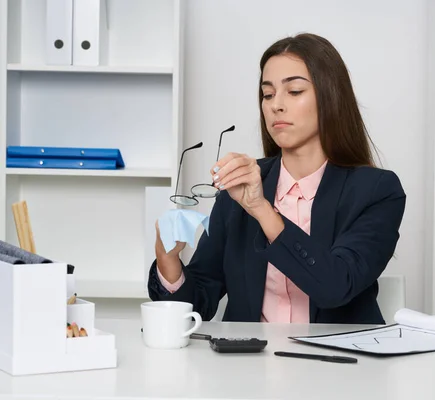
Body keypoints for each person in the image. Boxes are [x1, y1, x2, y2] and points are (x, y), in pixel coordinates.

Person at [148, 33, 406, 325]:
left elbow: (336, 286)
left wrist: (261, 209)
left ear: (331, 97)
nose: (275, 105)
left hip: (340, 366)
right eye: (268, 94)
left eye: (294, 91)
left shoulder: (377, 191)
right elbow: (201, 302)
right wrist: (169, 264)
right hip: (249, 366)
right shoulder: (239, 188)